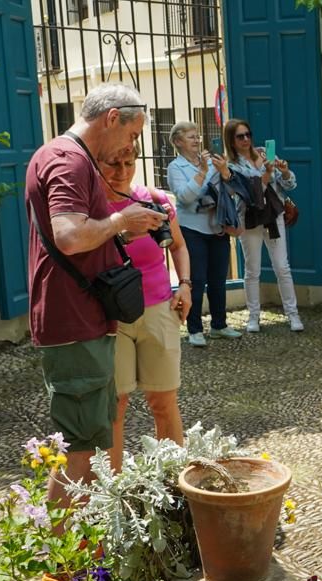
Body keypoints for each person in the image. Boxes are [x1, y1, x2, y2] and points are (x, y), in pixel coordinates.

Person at [25, 82, 168, 510]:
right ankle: (61, 566)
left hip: (80, 317)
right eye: (132, 134)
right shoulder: (69, 161)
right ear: (111, 119)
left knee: (87, 439)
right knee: (80, 448)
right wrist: (122, 220)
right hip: (73, 320)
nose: (132, 144)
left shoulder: (64, 155)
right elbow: (69, 236)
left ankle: (78, 549)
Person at [98, 142, 190, 459]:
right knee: (115, 406)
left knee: (163, 401)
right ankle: (114, 492)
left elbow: (178, 245)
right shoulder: (92, 211)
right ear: (96, 163)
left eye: (128, 162)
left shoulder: (153, 200)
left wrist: (186, 285)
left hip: (158, 308)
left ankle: (173, 485)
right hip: (111, 316)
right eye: (112, 163)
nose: (121, 171)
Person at [225, 118, 304, 333]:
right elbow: (246, 193)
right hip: (249, 218)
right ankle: (253, 317)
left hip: (272, 215)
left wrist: (285, 171)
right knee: (252, 270)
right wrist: (266, 174)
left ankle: (293, 314)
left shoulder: (264, 153)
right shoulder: (231, 165)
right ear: (231, 140)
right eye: (240, 136)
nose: (246, 139)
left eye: (248, 134)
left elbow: (288, 184)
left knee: (282, 266)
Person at [167, 121, 234, 348]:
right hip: (192, 230)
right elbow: (185, 198)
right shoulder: (175, 168)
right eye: (190, 137)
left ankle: (219, 324)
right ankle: (194, 328)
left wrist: (224, 171)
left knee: (218, 280)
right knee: (196, 280)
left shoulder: (211, 162)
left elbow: (228, 190)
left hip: (217, 226)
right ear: (178, 142)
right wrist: (204, 172)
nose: (197, 140)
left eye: (197, 136)